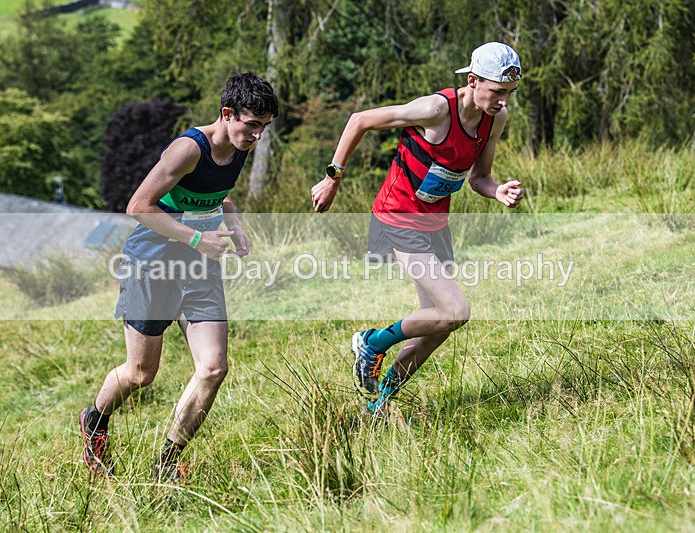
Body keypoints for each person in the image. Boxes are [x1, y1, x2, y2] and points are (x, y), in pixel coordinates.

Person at [79, 72, 279, 480]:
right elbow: (138, 206)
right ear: (227, 114)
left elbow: (216, 193)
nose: (257, 136)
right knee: (140, 374)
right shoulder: (188, 148)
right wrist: (197, 240)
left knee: (213, 368)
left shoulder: (239, 146)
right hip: (151, 263)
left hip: (198, 268)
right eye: (252, 125)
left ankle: (165, 463)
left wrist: (234, 222)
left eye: (264, 126)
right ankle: (95, 421)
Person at [311, 42, 523, 416]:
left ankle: (379, 402)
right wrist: (333, 178)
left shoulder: (496, 118)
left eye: (509, 93)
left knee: (437, 326)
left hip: (434, 223)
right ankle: (371, 342)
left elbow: (480, 178)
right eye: (498, 91)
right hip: (398, 217)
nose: (504, 101)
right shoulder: (435, 109)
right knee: (456, 310)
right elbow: (359, 119)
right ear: (473, 80)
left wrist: (498, 191)